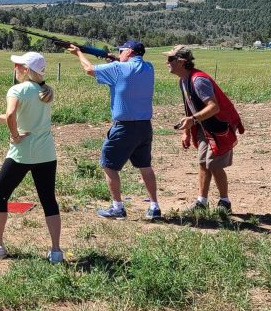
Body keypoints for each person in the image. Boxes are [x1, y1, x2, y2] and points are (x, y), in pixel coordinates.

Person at [0, 51, 64, 263]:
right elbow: (13, 116)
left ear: (26, 70)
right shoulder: (45, 92)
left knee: (0, 195)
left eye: (18, 65)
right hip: (46, 153)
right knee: (49, 200)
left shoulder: (17, 90)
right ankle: (56, 250)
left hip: (21, 153)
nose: (14, 68)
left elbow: (12, 115)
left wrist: (14, 135)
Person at [68, 41, 162, 220]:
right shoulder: (148, 67)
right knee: (145, 166)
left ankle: (117, 207)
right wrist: (115, 60)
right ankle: (154, 206)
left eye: (121, 51)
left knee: (108, 165)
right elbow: (127, 70)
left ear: (129, 51)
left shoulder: (119, 68)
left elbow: (89, 69)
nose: (119, 53)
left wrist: (78, 53)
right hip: (144, 126)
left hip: (124, 127)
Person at [165, 45, 244, 212]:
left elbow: (214, 107)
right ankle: (202, 202)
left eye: (170, 59)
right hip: (204, 127)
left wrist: (193, 119)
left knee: (214, 165)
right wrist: (187, 131)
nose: (167, 62)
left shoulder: (198, 80)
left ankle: (225, 202)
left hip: (217, 127)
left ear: (181, 62)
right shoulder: (183, 80)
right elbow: (190, 107)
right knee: (203, 163)